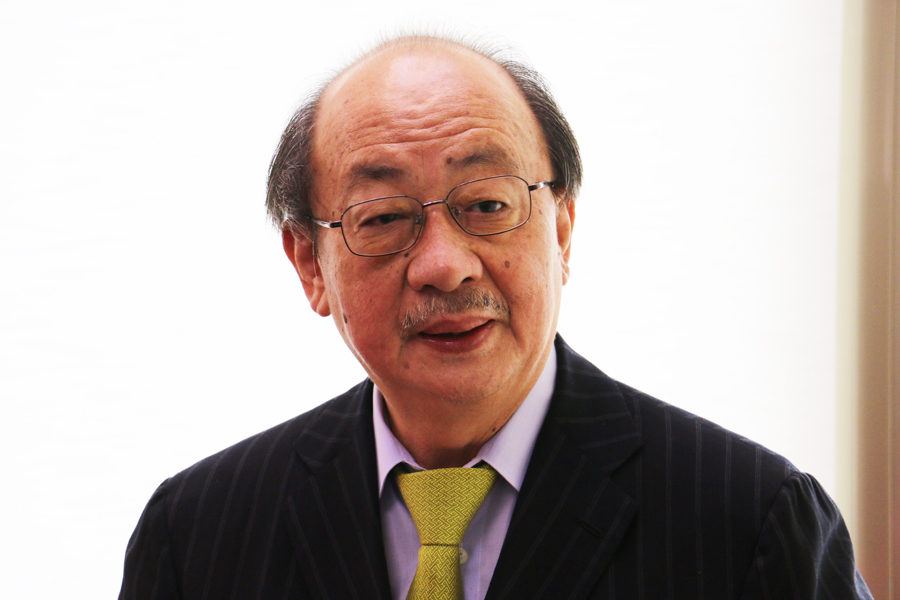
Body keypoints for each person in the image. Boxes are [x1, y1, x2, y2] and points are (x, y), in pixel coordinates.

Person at [119, 35, 872, 600]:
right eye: (384, 218)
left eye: (486, 205)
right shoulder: (201, 534)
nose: (445, 265)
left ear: (562, 230)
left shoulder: (748, 521)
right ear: (310, 265)